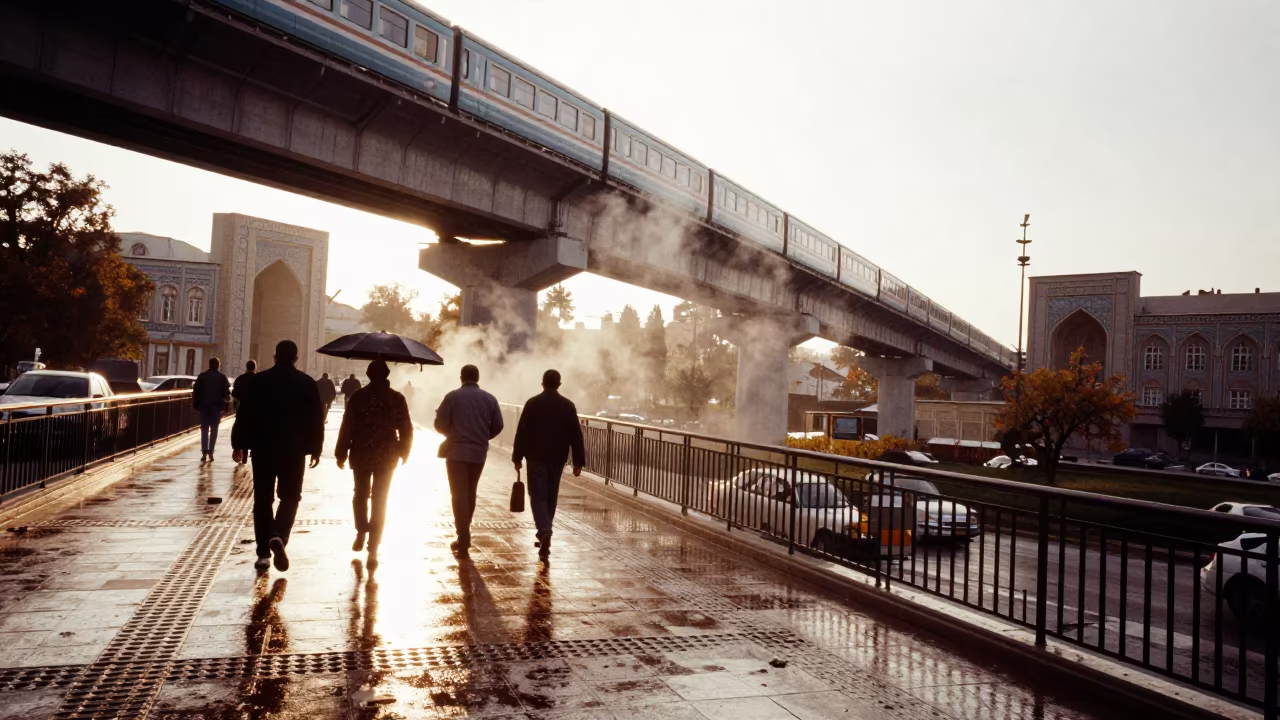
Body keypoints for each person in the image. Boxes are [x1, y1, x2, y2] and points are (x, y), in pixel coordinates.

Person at [231, 340, 324, 572]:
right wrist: (316, 448)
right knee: (290, 496)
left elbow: (244, 415)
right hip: (294, 450)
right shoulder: (306, 383)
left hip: (263, 449)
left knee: (263, 499)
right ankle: (279, 535)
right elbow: (316, 418)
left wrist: (239, 444)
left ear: (275, 357)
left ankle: (263, 553)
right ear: (296, 358)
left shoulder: (258, 381)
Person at [335, 359, 413, 569]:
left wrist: (341, 452)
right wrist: (404, 451)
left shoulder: (358, 397)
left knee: (360, 494)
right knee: (380, 499)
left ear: (368, 375)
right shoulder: (396, 398)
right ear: (387, 375)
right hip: (387, 455)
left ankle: (361, 530)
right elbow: (406, 427)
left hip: (360, 452)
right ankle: (373, 547)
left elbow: (347, 425)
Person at [512, 369, 585, 559]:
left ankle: (544, 530)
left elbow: (522, 432)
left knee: (537, 495)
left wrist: (517, 457)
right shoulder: (568, 406)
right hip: (557, 458)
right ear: (559, 384)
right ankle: (546, 530)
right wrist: (578, 462)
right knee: (551, 495)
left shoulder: (532, 403)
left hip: (535, 457)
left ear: (542, 383)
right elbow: (576, 435)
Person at [434, 364, 503, 555]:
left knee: (458, 494)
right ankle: (465, 532)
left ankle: (463, 537)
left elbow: (439, 425)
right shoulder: (490, 399)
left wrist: (452, 432)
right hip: (478, 452)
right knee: (471, 491)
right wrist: (483, 436)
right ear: (478, 377)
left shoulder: (452, 397)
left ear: (461, 377)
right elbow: (498, 425)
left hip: (456, 452)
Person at [192, 358, 231, 463]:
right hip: (216, 407)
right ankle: (211, 452)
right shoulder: (222, 378)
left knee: (204, 429)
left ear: (209, 365)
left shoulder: (202, 376)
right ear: (218, 365)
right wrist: (225, 406)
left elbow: (196, 391)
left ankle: (204, 451)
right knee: (214, 430)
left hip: (204, 406)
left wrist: (196, 404)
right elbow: (226, 393)